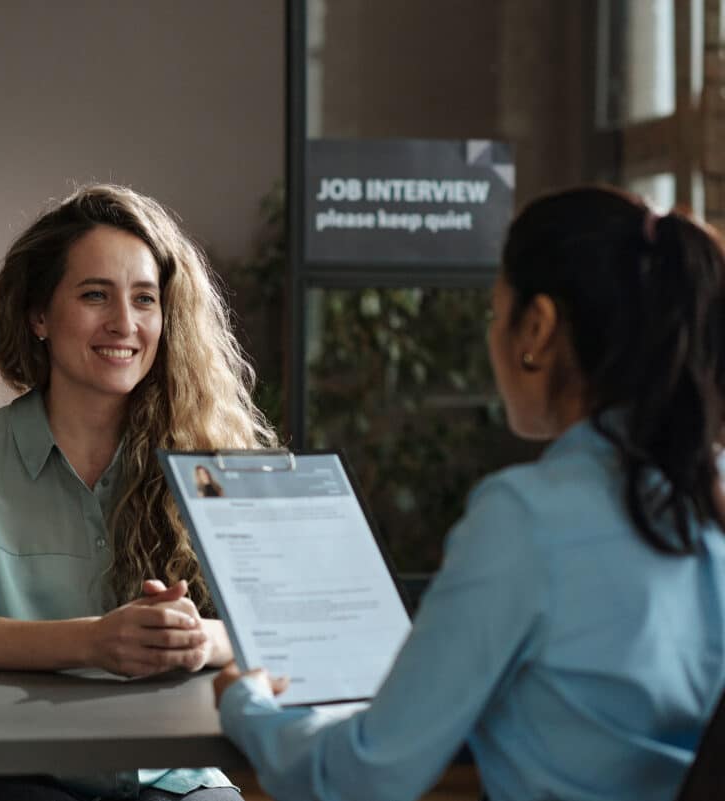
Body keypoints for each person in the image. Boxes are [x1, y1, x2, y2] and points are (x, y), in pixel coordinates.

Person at [213, 186, 725, 801]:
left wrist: (246, 706)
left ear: (536, 326)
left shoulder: (529, 517)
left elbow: (366, 775)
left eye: (494, 313)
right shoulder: (708, 503)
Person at [0, 184, 275, 801]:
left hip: (169, 774)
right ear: (38, 316)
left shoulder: (210, 461)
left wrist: (196, 638)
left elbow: (276, 629)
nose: (124, 324)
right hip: (1, 769)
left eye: (145, 299)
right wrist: (95, 640)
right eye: (95, 295)